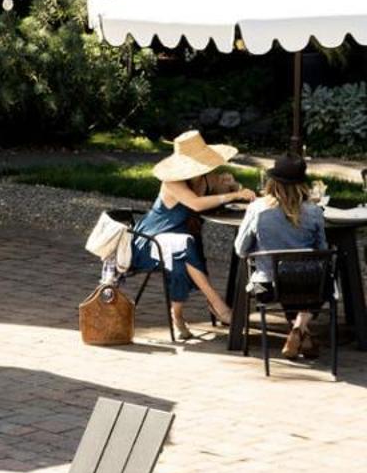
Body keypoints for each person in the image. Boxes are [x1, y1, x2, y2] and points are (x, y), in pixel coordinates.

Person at [131, 131, 253, 341]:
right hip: (152, 238)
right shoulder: (172, 182)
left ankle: (178, 317)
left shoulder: (207, 178)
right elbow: (196, 204)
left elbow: (221, 192)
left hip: (181, 239)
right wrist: (232, 195)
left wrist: (233, 186)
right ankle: (216, 305)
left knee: (183, 249)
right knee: (183, 249)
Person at [234, 153, 328, 359]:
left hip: (265, 288)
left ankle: (298, 330)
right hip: (309, 286)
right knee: (323, 282)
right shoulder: (314, 212)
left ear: (272, 182)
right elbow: (322, 251)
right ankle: (300, 329)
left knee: (274, 280)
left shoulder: (257, 209)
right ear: (302, 184)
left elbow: (241, 249)